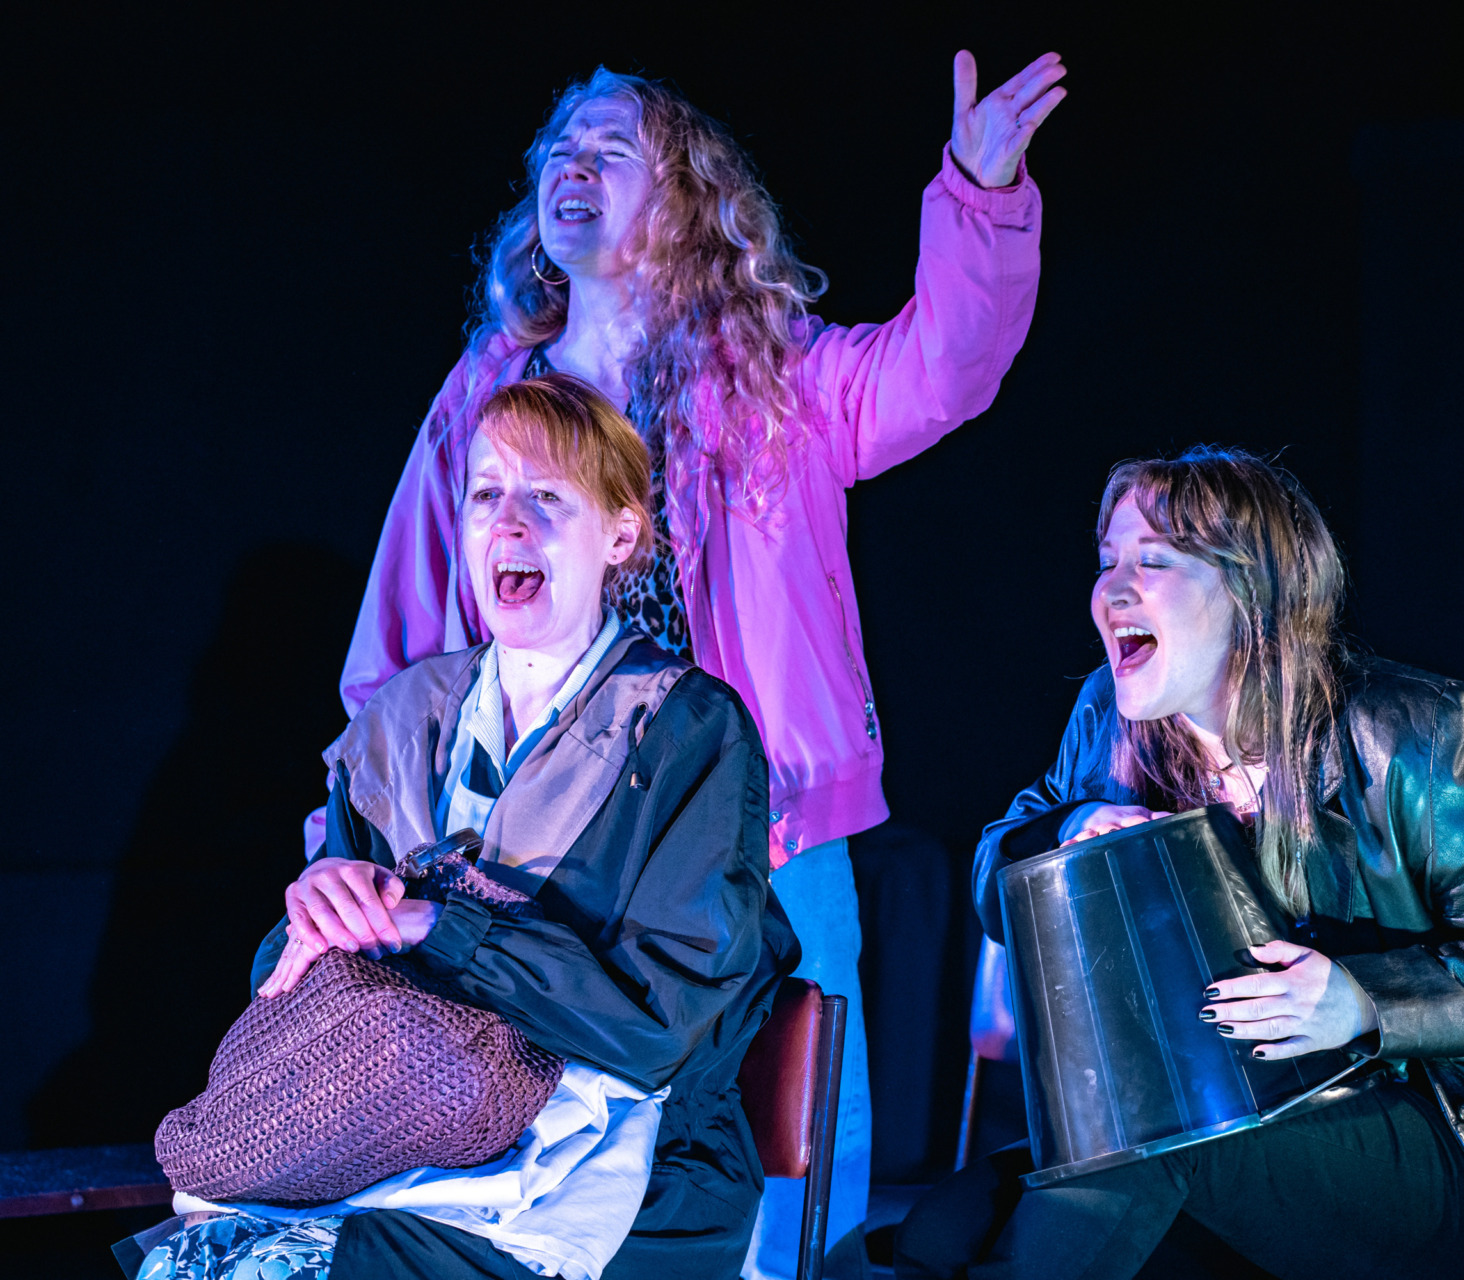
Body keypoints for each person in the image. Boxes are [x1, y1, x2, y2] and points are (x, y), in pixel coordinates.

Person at [332, 53, 1063, 1275]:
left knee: (797, 1168)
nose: (574, 167)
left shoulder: (770, 379)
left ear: (684, 199)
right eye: (559, 153)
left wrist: (979, 194)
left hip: (767, 824)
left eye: (612, 149)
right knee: (552, 1166)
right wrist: (355, 848)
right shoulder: (488, 399)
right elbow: (398, 653)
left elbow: (942, 367)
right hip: (541, 848)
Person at [895, 447, 1464, 1280]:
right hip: (1239, 1125)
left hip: (1455, 1141)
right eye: (1107, 561)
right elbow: (998, 879)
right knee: (947, 1229)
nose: (1112, 589)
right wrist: (1076, 827)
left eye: (1153, 562)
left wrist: (1362, 1001)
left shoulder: (1420, 734)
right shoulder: (1109, 723)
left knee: (1145, 1157)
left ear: (1250, 593)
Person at [140, 375, 798, 1280]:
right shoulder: (404, 719)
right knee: (212, 1261)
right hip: (411, 1135)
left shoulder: (687, 731)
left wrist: (436, 922)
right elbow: (291, 992)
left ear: (619, 534)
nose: (508, 523)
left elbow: (659, 1024)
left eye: (547, 497)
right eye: (488, 494)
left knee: (341, 1269)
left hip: (640, 1168)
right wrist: (320, 911)